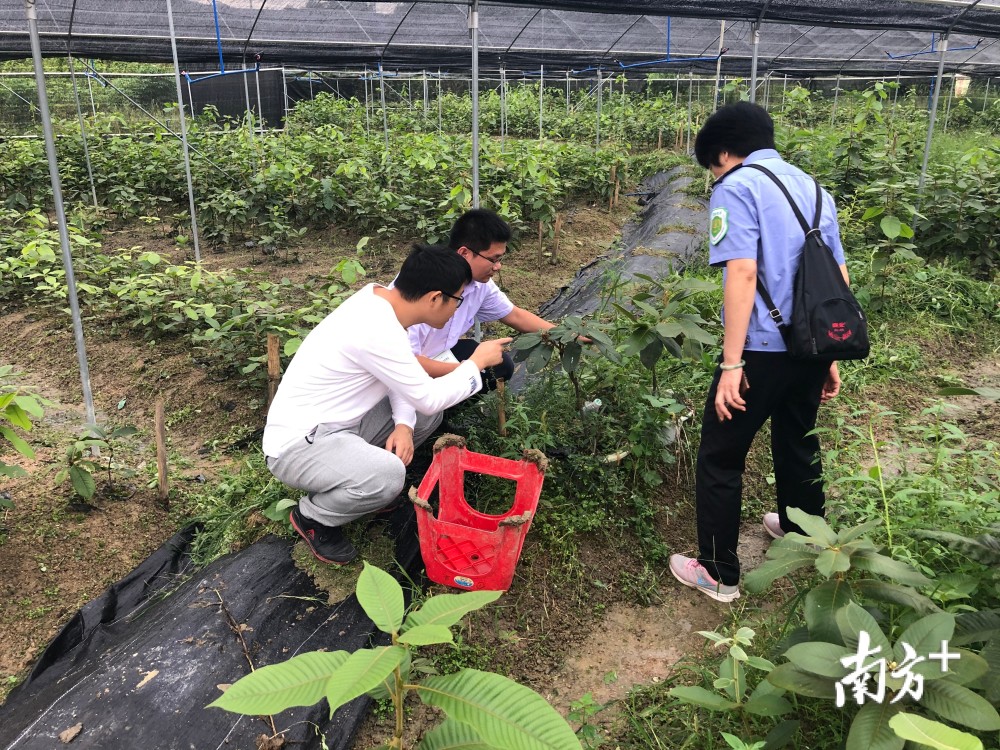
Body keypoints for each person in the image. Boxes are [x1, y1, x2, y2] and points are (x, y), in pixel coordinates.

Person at [669, 102, 846, 603]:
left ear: (724, 152)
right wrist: (829, 352)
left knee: (721, 458)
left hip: (761, 350)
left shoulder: (737, 187)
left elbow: (742, 273)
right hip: (811, 345)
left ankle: (719, 573)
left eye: (713, 165)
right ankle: (806, 536)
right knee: (798, 442)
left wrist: (731, 364)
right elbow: (836, 278)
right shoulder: (815, 190)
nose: (714, 175)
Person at [263, 244, 511, 565]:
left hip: (339, 424)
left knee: (423, 416)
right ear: (435, 298)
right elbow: (429, 393)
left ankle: (362, 483)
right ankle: (315, 517)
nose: (456, 311)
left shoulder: (379, 302)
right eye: (457, 300)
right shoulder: (377, 329)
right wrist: (475, 363)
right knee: (390, 476)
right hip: (297, 447)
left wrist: (404, 426)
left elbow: (407, 384)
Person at [407, 209, 555, 390]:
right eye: (493, 259)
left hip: (439, 354)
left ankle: (446, 410)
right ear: (464, 253)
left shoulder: (479, 283)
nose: (498, 267)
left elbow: (514, 315)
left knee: (498, 365)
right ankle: (436, 414)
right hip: (405, 369)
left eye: (501, 259)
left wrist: (567, 334)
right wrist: (468, 369)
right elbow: (407, 363)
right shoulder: (420, 286)